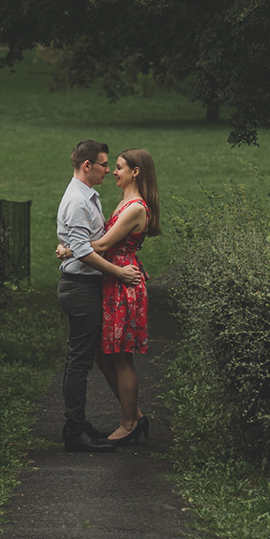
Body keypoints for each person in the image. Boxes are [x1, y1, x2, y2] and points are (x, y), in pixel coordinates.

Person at [57, 147, 160, 446]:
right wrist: (74, 247)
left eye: (118, 167)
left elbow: (101, 245)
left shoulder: (135, 207)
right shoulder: (123, 202)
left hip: (123, 281)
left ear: (135, 171)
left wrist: (70, 248)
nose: (113, 171)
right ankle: (134, 416)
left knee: (120, 356)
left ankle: (129, 422)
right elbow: (98, 242)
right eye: (109, 166)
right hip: (114, 281)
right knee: (105, 354)